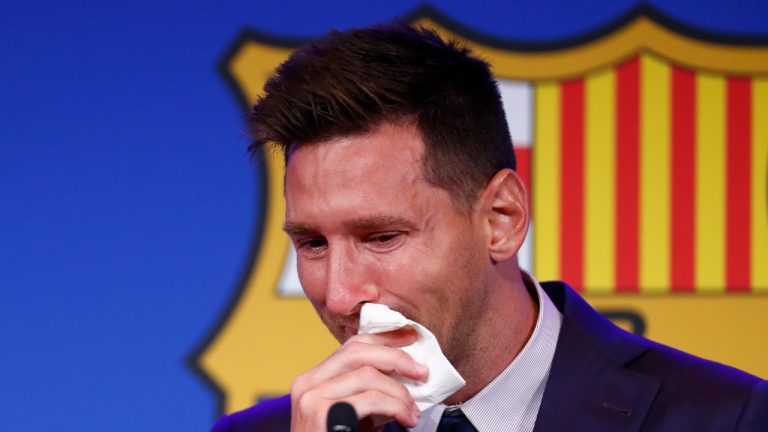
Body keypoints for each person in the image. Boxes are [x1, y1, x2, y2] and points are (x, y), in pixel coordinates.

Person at [211, 24, 768, 432]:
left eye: (382, 237)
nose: (339, 294)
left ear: (502, 218)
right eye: (312, 243)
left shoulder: (729, 418)